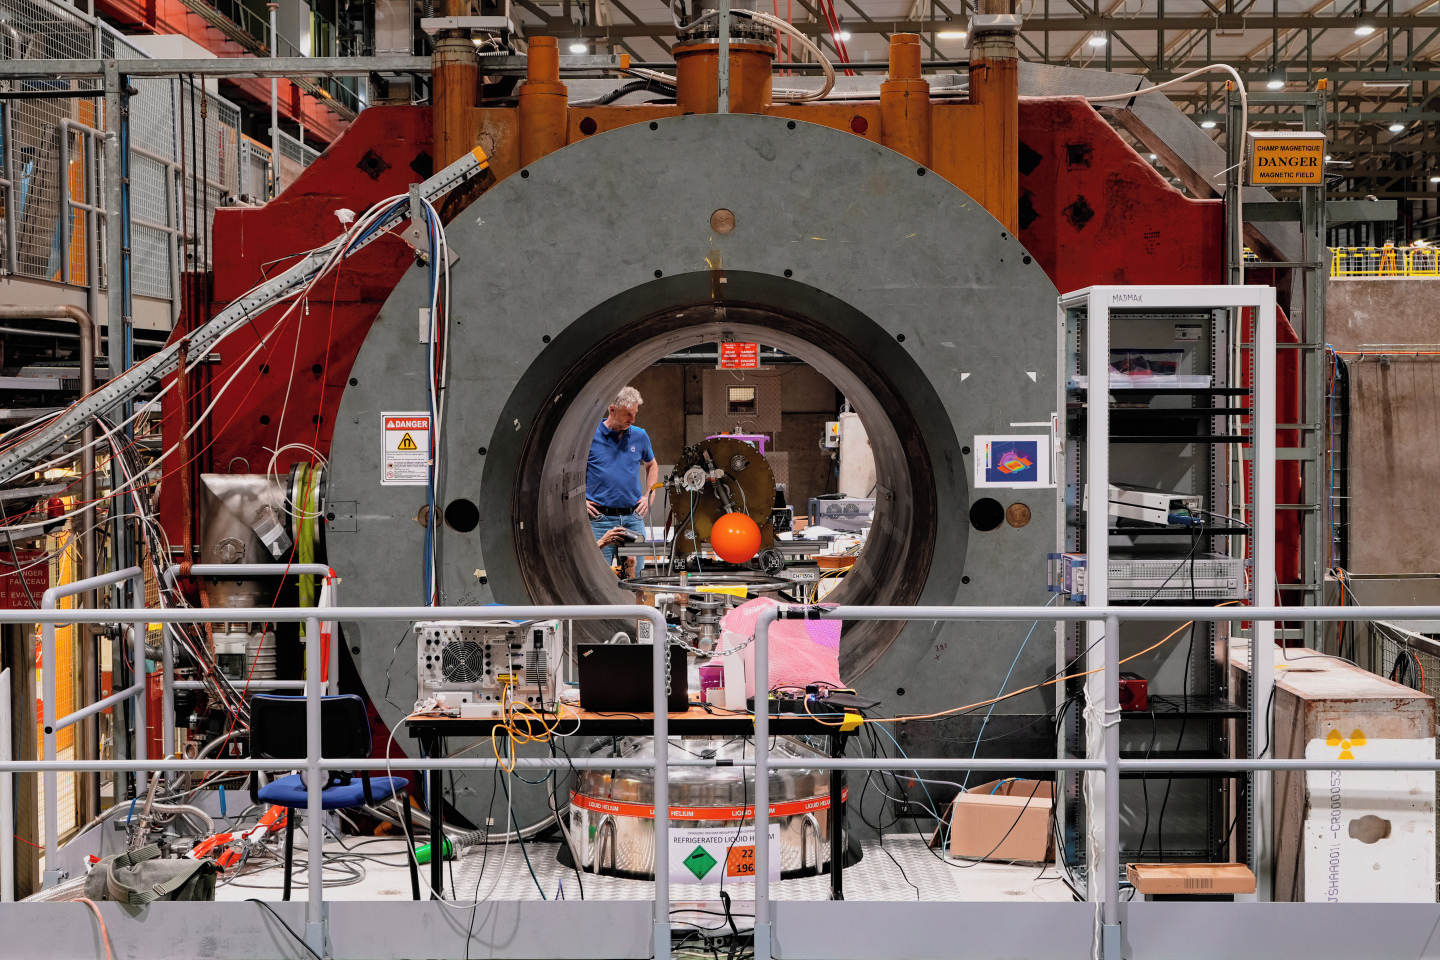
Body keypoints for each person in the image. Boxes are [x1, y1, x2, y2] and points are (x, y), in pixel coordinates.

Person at [587, 386, 658, 573]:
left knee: (638, 576)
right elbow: (569, 472)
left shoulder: (639, 435)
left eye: (634, 414)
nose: (632, 419)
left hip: (633, 517)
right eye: (627, 414)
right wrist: (579, 502)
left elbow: (652, 465)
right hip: (599, 519)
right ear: (612, 410)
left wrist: (650, 494)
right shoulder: (589, 437)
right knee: (598, 574)